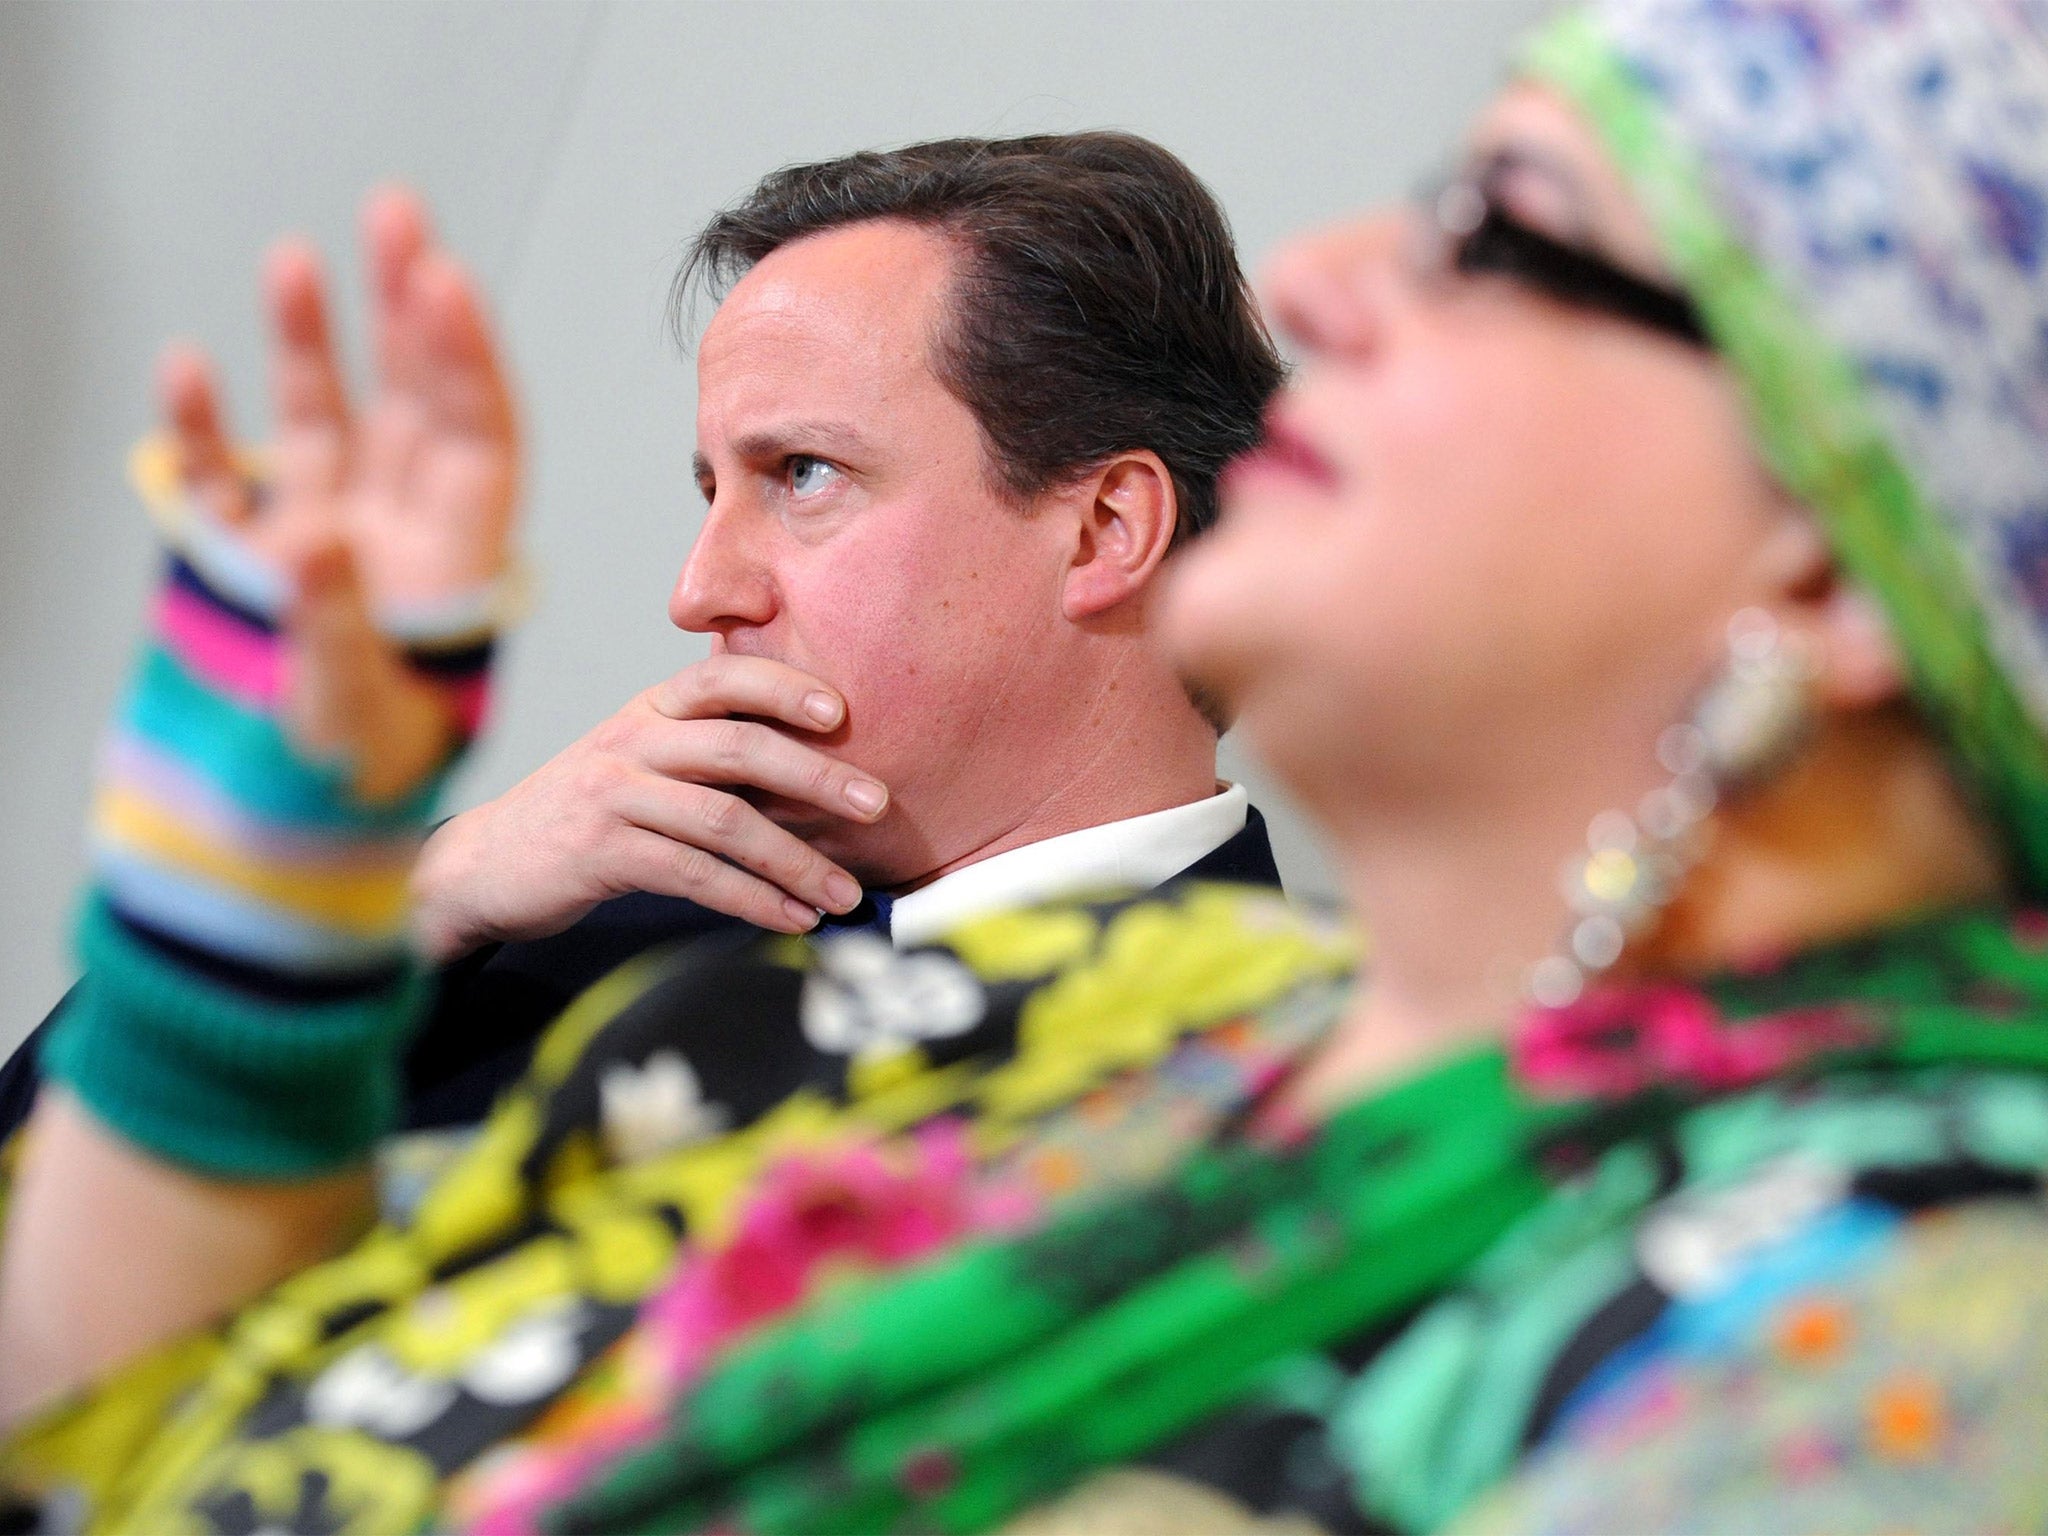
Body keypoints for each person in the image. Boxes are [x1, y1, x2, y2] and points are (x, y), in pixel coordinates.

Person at [11, 1, 2048, 1533]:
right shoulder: (1066, 1010)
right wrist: (273, 903)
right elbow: (121, 1447)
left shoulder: (1909, 1331)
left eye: (1497, 238)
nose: (1328, 278)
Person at [0, 132, 1290, 1139]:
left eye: (802, 474)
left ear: (1104, 530)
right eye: (709, 490)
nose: (699, 589)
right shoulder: (530, 927)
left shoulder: (1292, 1098)